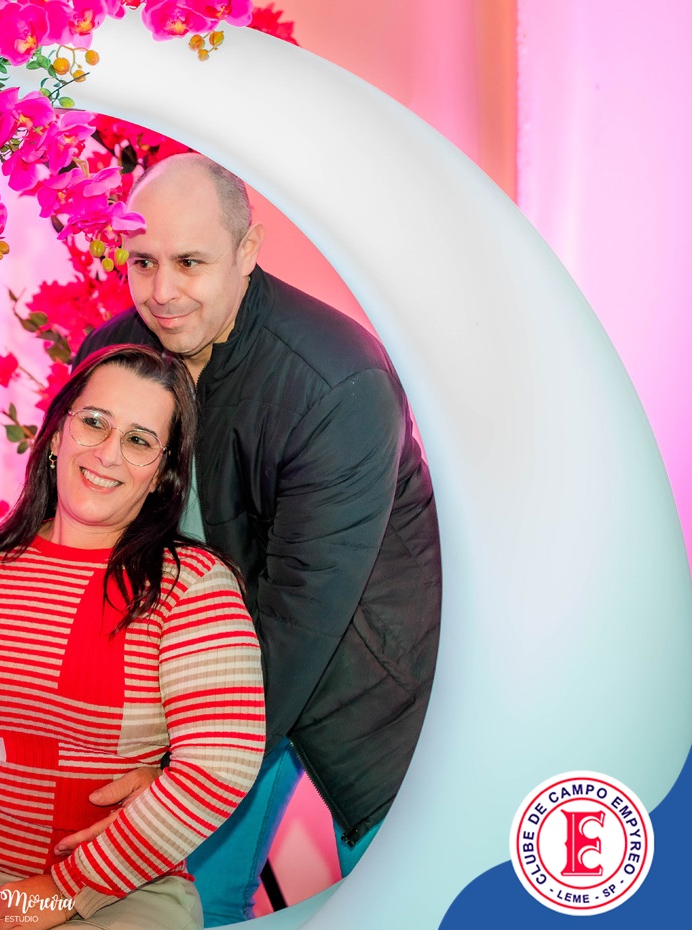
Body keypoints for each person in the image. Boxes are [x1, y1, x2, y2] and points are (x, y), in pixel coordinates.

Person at [61, 153, 443, 923]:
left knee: (394, 904)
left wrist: (185, 772)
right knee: (190, 907)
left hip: (359, 678)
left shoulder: (335, 377)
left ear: (247, 250)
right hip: (211, 681)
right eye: (142, 262)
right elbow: (76, 542)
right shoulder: (116, 357)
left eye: (190, 262)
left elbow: (304, 608)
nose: (161, 292)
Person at [0, 345, 266, 929]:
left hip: (115, 893)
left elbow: (220, 764)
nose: (108, 452)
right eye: (94, 422)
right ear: (57, 433)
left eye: (139, 440)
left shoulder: (192, 586)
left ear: (162, 474)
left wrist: (62, 890)